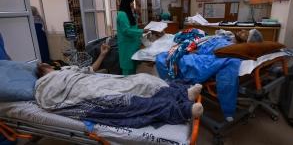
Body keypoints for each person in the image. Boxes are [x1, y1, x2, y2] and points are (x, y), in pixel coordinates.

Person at [35, 62, 204, 128]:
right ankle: (183, 109)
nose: (51, 66)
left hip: (93, 80)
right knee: (124, 100)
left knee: (142, 80)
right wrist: (56, 79)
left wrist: (102, 54)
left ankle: (183, 93)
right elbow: (48, 99)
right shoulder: (43, 83)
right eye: (47, 66)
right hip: (84, 90)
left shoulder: (66, 69)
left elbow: (89, 71)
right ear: (44, 71)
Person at [117, 0, 146, 75]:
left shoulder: (129, 13)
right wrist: (141, 31)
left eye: (133, 2)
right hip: (126, 46)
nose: (132, 4)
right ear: (126, 3)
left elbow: (134, 25)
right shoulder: (121, 14)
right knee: (127, 68)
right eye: (131, 2)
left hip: (133, 44)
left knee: (133, 67)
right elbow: (126, 31)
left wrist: (135, 10)